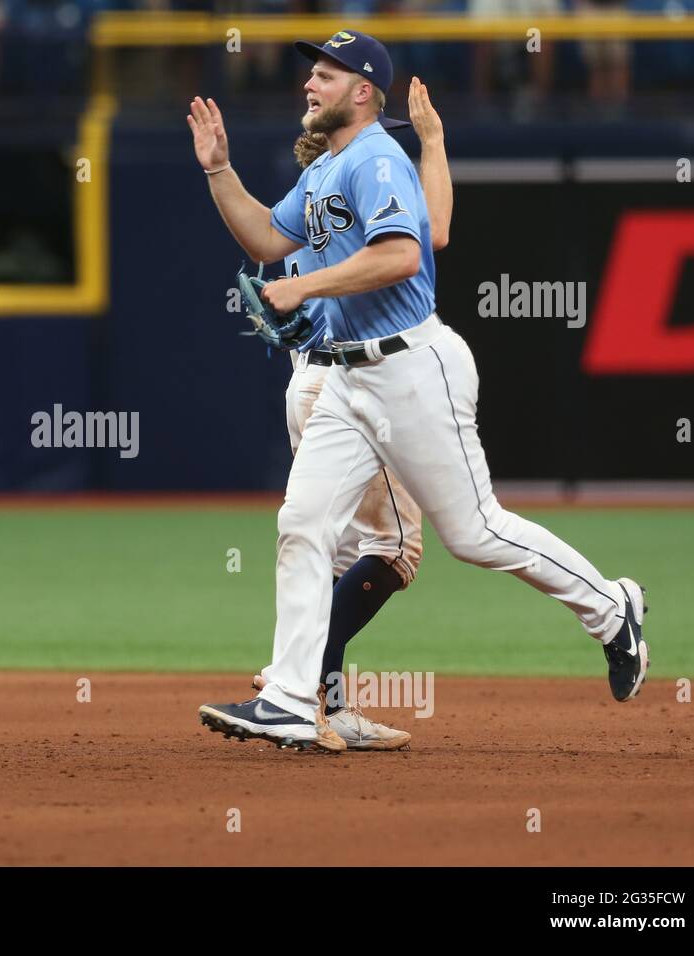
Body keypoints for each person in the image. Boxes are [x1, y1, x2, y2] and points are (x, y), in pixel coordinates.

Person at [189, 30, 648, 753]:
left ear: (363, 91)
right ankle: (285, 699)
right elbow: (266, 243)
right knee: (302, 524)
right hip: (344, 376)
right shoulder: (325, 170)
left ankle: (613, 608)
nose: (309, 85)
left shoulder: (376, 159)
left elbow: (406, 253)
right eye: (311, 74)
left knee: (475, 533)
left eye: (326, 76)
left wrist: (303, 285)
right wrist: (218, 172)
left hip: (410, 369)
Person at [242, 76, 454, 752]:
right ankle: (294, 686)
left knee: (331, 551)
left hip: (310, 389)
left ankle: (317, 704)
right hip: (351, 386)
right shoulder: (348, 203)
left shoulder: (313, 208)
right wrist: (433, 143)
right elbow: (435, 233)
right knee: (395, 550)